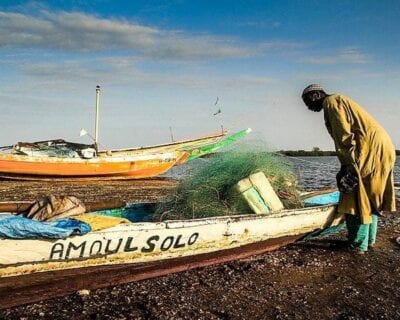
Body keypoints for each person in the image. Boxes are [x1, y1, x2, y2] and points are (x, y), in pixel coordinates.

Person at [301, 84, 396, 254]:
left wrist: (347, 166)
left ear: (315, 95)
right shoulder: (340, 99)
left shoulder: (331, 101)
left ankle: (358, 245)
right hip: (383, 146)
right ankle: (369, 241)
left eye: (306, 102)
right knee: (369, 195)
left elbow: (344, 135)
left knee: (354, 194)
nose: (307, 107)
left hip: (368, 147)